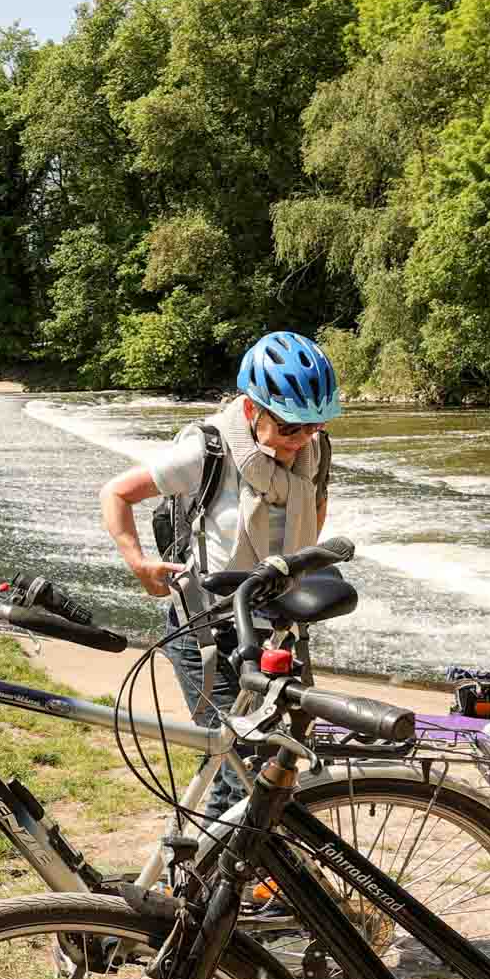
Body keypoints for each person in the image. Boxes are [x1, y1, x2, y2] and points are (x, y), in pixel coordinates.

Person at [98, 330, 338, 815]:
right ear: (253, 410)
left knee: (258, 762)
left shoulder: (314, 451)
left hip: (272, 629)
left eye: (315, 425)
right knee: (240, 762)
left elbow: (316, 511)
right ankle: (201, 878)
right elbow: (116, 494)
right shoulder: (206, 451)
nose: (303, 439)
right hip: (203, 631)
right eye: (291, 428)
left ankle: (220, 879)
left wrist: (290, 582)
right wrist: (140, 564)